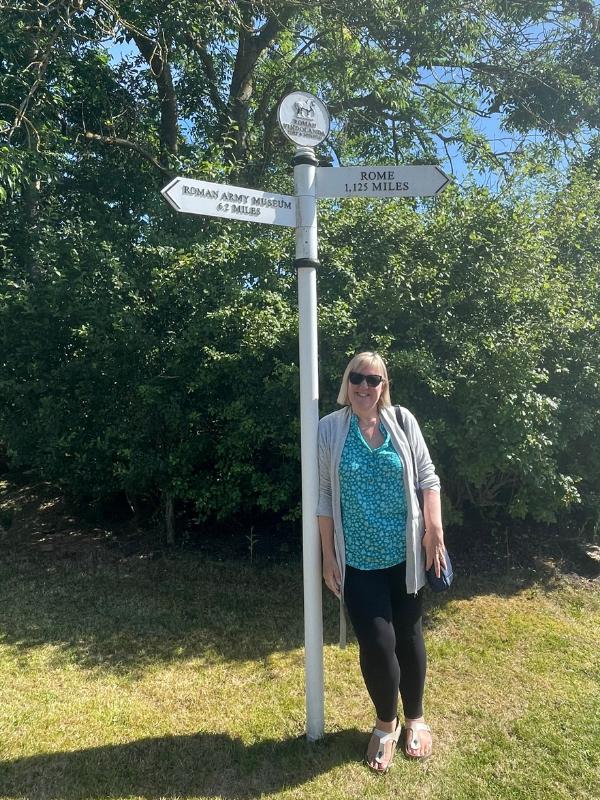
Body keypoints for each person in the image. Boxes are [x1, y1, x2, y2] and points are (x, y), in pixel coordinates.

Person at [317, 351, 446, 772]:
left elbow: (428, 479)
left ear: (383, 385)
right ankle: (384, 724)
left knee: (409, 636)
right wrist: (327, 556)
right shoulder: (330, 429)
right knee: (377, 643)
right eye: (357, 378)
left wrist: (434, 532)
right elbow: (322, 496)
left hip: (406, 556)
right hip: (359, 562)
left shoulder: (402, 421)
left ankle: (415, 719)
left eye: (373, 380)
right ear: (346, 381)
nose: (364, 387)